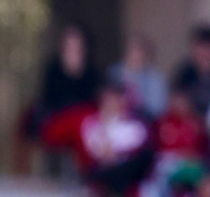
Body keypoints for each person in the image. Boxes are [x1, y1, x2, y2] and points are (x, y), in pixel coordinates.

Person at [30, 23, 100, 152]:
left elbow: (94, 101)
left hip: (84, 123)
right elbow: (50, 100)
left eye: (76, 41)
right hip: (58, 122)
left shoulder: (92, 71)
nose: (73, 46)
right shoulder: (53, 69)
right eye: (69, 41)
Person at [171, 23, 210, 119]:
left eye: (208, 48)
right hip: (191, 122)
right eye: (200, 48)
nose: (204, 53)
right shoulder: (184, 73)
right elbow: (176, 100)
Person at [108, 34, 167, 119]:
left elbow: (157, 110)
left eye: (138, 50)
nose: (133, 54)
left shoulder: (155, 79)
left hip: (144, 121)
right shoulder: (114, 72)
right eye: (130, 49)